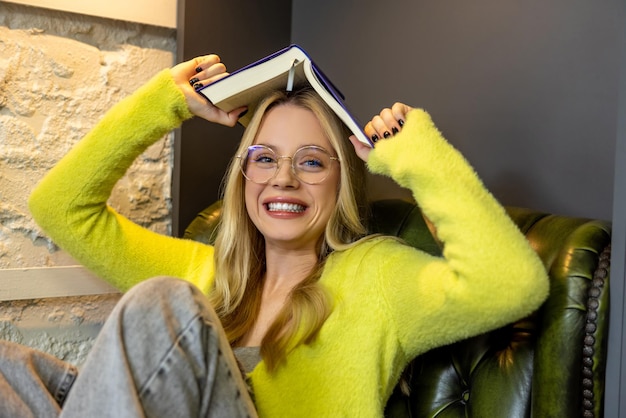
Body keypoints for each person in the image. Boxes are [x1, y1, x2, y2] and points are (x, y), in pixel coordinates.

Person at [6, 53, 549, 417]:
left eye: (312, 162)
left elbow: (510, 283)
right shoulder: (206, 273)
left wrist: (417, 158)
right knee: (10, 366)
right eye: (263, 158)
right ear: (243, 175)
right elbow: (58, 208)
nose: (282, 178)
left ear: (343, 183)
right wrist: (165, 103)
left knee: (163, 302)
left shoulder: (374, 276)